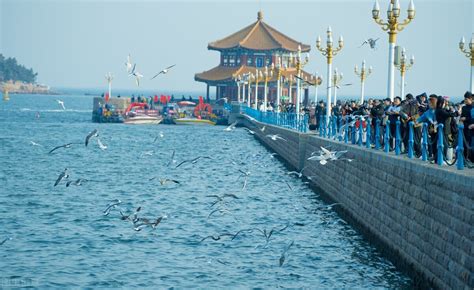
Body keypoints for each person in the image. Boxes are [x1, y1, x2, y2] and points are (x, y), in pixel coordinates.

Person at [460, 91, 474, 161]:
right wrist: (461, 119)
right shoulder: (464, 108)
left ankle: (471, 159)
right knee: (464, 144)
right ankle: (465, 158)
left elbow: (472, 118)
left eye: (467, 99)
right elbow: (462, 116)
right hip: (464, 128)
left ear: (471, 99)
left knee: (471, 145)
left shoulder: (473, 108)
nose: (465, 100)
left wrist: (466, 118)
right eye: (464, 99)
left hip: (472, 128)